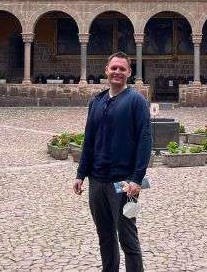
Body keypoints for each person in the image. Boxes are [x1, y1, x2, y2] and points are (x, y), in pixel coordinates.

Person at [73, 51, 151, 272]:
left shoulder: (136, 101)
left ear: (129, 72)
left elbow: (145, 140)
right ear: (106, 70)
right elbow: (89, 140)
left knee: (128, 238)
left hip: (124, 182)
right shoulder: (96, 101)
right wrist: (81, 174)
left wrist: (137, 179)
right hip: (97, 181)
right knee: (105, 236)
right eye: (114, 68)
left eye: (122, 69)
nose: (117, 72)